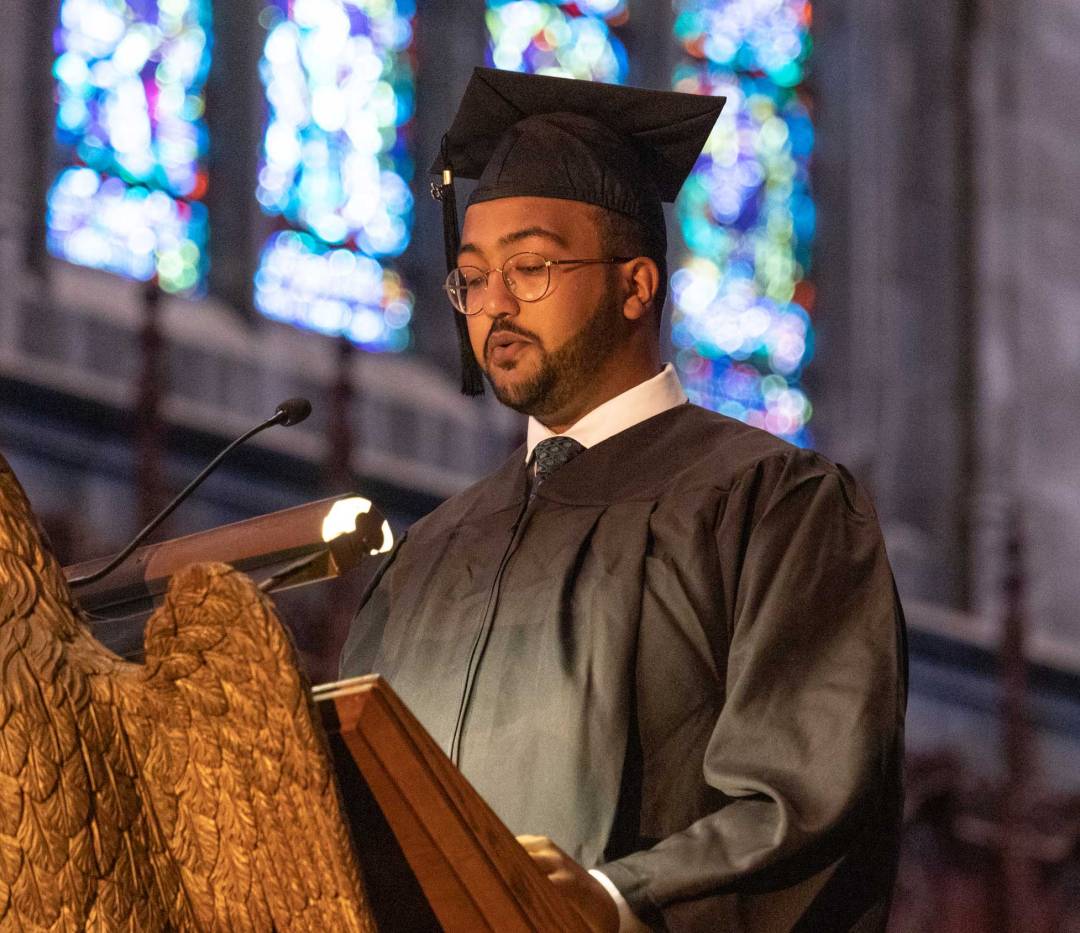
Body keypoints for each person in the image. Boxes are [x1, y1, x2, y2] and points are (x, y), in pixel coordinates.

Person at [341, 67, 907, 932]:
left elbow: (807, 798)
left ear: (636, 285)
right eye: (472, 277)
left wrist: (610, 898)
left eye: (530, 267)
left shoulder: (771, 506)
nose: (493, 306)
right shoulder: (430, 552)